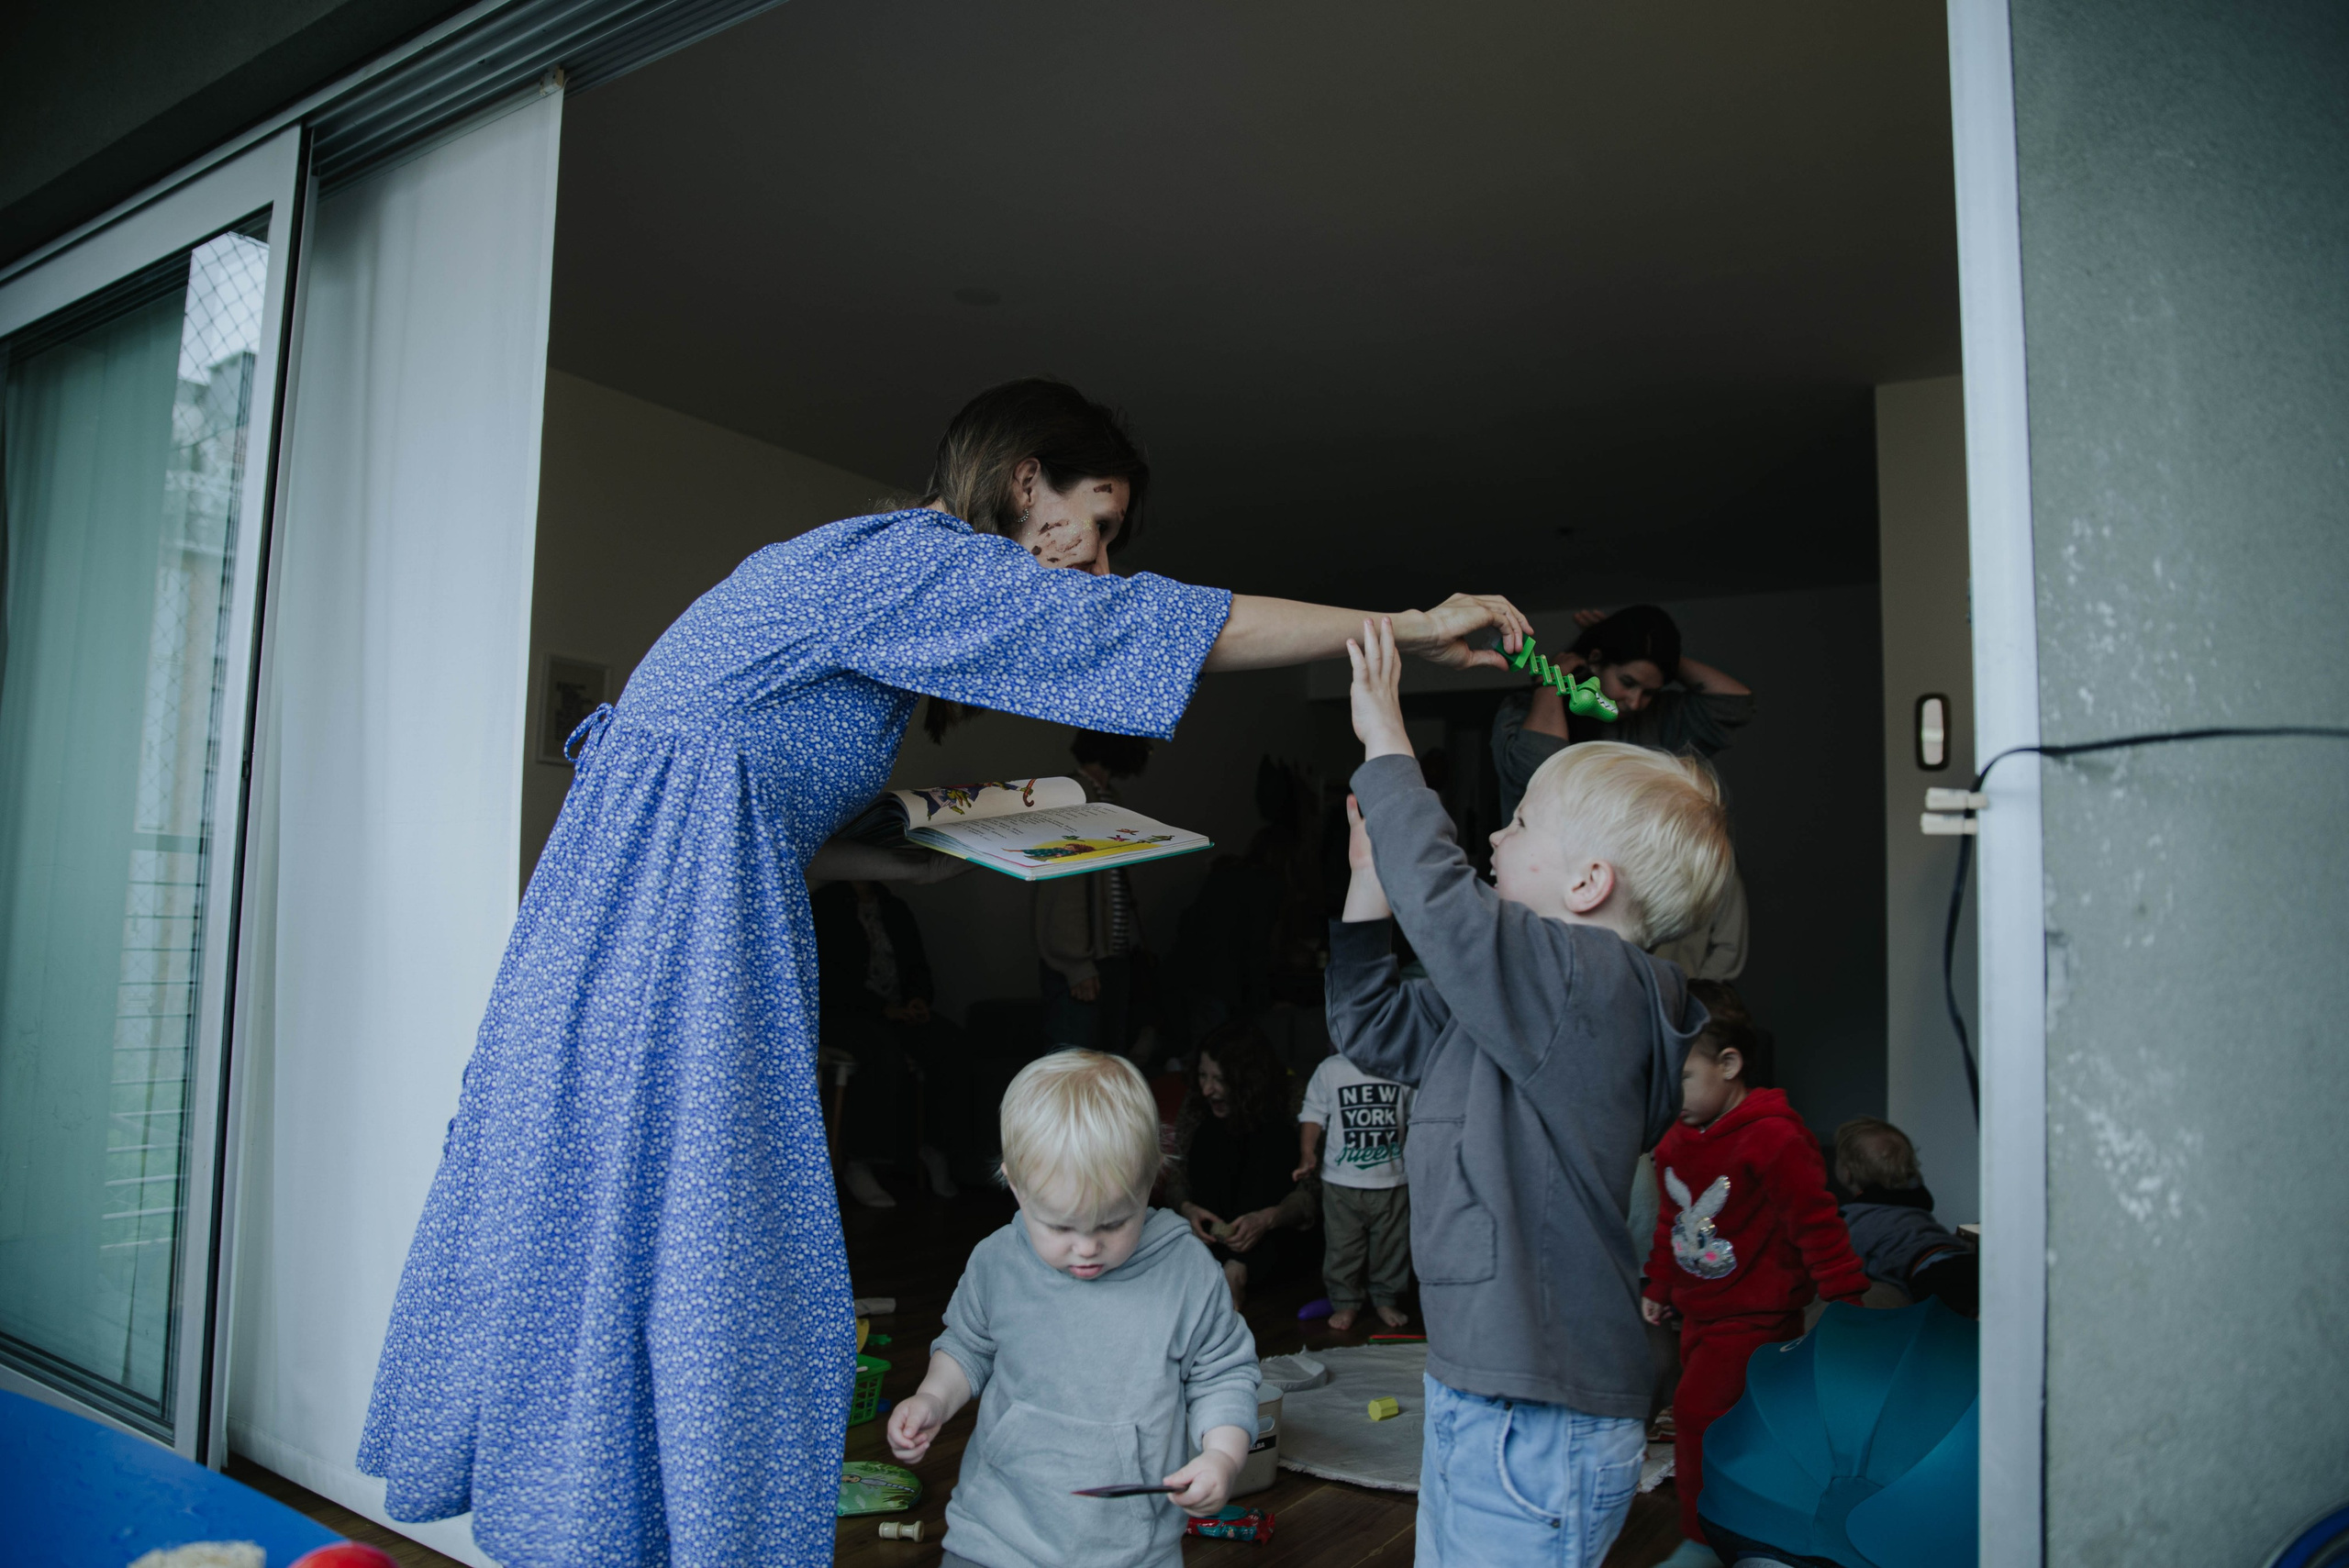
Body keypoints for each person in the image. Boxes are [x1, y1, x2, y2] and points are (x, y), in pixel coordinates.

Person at [357, 377, 1533, 1568]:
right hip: (670, 920)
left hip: (645, 907)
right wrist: (1418, 627)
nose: (1101, 565)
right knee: (703, 1240)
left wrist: (903, 844)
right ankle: (636, 1534)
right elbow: (1170, 629)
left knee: (643, 1229)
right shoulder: (906, 554)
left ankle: (627, 1529)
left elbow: (743, 771)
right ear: (1027, 482)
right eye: (1099, 520)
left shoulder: (868, 574)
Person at [1327, 617, 1731, 1568]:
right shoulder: (1521, 1005)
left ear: (1589, 882)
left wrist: (1387, 740)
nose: (1494, 836)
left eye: (1518, 824)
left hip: (1536, 1411)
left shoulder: (1593, 987)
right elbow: (1373, 1028)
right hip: (1494, 1387)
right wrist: (1365, 885)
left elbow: (1449, 908)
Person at [884, 1050, 1259, 1568]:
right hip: (994, 1533)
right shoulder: (997, 1262)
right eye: (1060, 1226)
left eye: (1111, 1224)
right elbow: (967, 1346)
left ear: (1153, 1176)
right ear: (1016, 1185)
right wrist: (931, 1399)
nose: (1086, 1248)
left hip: (1131, 1549)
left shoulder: (1187, 1272)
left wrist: (1222, 1455)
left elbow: (1223, 1375)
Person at [1641, 980, 1871, 1568]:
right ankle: (1750, 1521)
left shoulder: (1772, 1137)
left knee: (1696, 1414)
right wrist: (1661, 1284)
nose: (1671, 1093)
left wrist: (1845, 1294)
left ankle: (1703, 1537)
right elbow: (1673, 1217)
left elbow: (1815, 1221)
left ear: (1730, 1063)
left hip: (1755, 1314)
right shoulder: (1675, 1140)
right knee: (1733, 1423)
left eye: (1683, 1077)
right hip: (1700, 1310)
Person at [1492, 605, 1753, 983]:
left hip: (1632, 922)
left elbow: (1737, 704)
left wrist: (1657, 654)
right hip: (1543, 915)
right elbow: (1541, 770)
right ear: (1595, 660)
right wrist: (1550, 685)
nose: (1634, 702)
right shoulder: (1523, 709)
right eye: (1628, 682)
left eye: (1650, 691)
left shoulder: (1656, 718)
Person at [809, 877, 965, 1207]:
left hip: (899, 1010)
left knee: (948, 1041)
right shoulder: (825, 906)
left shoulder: (894, 908)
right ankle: (861, 1159)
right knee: (879, 1049)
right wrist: (883, 1009)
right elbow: (831, 978)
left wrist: (919, 1000)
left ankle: (934, 1148)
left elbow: (916, 966)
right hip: (848, 1015)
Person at [1163, 1021, 1318, 1310]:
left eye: (1220, 1079)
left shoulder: (1295, 1097)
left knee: (1271, 1134)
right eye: (1202, 1076)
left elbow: (1314, 1191)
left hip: (1276, 1237)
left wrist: (1268, 1218)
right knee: (1213, 1134)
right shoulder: (1199, 1102)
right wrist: (1187, 1209)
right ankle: (1218, 1269)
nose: (1208, 1089)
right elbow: (1178, 1178)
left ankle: (1235, 1270)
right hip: (1212, 1236)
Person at [1035, 728, 1153, 1057]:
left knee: (1106, 1066)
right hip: (1084, 967)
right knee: (1075, 1071)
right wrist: (1077, 964)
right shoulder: (1073, 794)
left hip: (1111, 960)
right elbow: (1065, 884)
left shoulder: (1107, 795)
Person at [1294, 1050, 1414, 1331]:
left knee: (1392, 1245)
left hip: (1392, 1180)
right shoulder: (1331, 1068)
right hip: (1341, 1182)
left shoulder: (1402, 1065)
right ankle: (1345, 1300)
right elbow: (1313, 1112)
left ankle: (1385, 1297)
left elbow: (1416, 1116)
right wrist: (1307, 1153)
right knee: (1342, 1246)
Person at [1834, 1116, 1977, 1316]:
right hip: (1956, 1256)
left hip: (1928, 1274)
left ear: (1847, 1173)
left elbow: (1844, 1266)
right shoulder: (1914, 1205)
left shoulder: (1851, 1218)